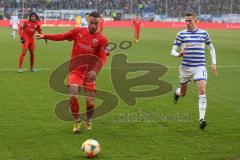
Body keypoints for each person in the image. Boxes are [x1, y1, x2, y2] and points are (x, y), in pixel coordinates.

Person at [36, 12, 110, 134]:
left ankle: (88, 119)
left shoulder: (103, 40)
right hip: (76, 71)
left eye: (96, 23)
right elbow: (62, 36)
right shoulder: (77, 32)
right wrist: (45, 36)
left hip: (89, 74)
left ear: (99, 23)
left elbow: (103, 58)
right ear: (88, 21)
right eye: (91, 23)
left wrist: (95, 71)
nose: (93, 25)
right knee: (73, 95)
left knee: (90, 103)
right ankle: (76, 122)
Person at [171, 12, 217, 129]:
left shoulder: (204, 33)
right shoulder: (181, 34)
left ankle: (202, 119)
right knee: (183, 93)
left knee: (202, 90)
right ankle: (177, 93)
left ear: (196, 20)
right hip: (185, 68)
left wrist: (213, 63)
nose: (187, 23)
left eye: (190, 20)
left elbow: (211, 48)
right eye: (186, 20)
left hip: (199, 66)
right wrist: (178, 54)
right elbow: (172, 51)